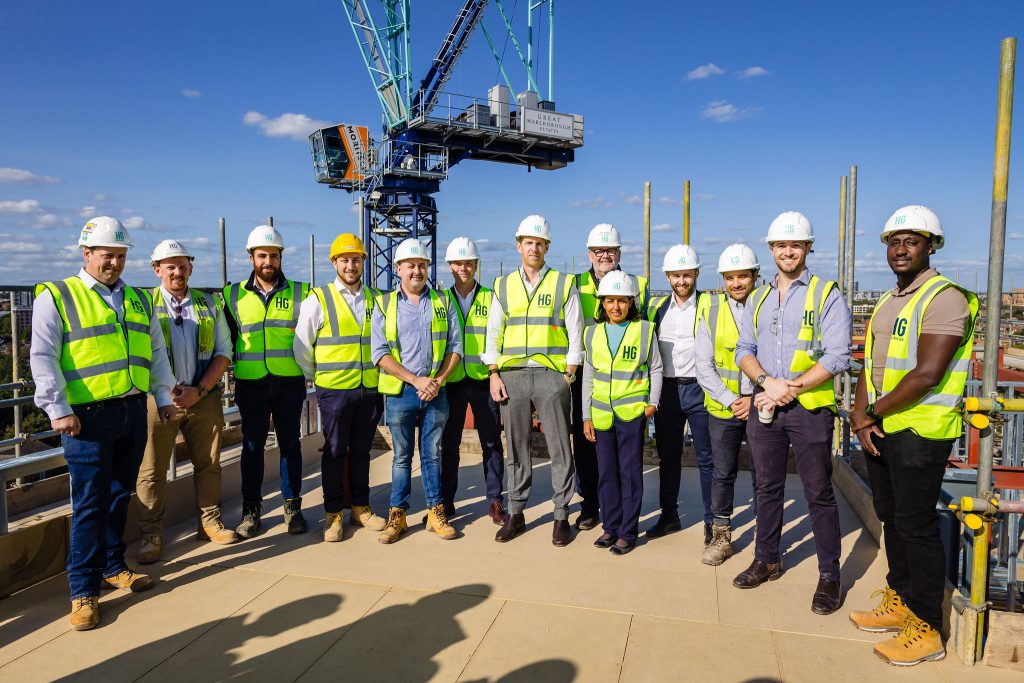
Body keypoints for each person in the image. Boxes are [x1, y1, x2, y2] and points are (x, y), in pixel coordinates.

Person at [30, 217, 176, 631]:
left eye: (120, 255)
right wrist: (56, 408)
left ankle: (114, 567)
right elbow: (42, 356)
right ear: (87, 254)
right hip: (85, 419)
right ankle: (83, 590)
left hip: (132, 409)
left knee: (118, 496)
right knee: (90, 504)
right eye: (106, 255)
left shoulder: (138, 300)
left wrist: (162, 398)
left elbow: (157, 352)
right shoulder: (58, 296)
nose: (114, 262)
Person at [849, 206, 977, 666]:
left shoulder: (945, 298)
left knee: (918, 526)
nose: (900, 250)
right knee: (892, 519)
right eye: (893, 242)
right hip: (883, 428)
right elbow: (870, 364)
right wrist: (863, 413)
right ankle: (900, 601)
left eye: (911, 241)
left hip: (920, 432)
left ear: (931, 246)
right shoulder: (889, 299)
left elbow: (926, 374)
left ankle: (927, 628)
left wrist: (868, 413)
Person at [733, 211, 851, 617]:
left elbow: (838, 355)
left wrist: (791, 387)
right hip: (766, 406)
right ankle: (767, 559)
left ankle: (829, 576)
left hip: (810, 410)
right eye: (781, 245)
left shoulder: (826, 294)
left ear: (807, 248)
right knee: (766, 488)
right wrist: (767, 382)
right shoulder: (760, 297)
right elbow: (743, 350)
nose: (788, 251)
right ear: (771, 250)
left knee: (818, 493)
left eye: (795, 245)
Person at [135, 240, 236, 565]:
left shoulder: (208, 303)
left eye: (182, 265)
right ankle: (151, 535)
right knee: (152, 470)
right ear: (157, 269)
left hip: (202, 397)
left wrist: (200, 390)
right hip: (157, 399)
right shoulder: (143, 303)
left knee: (209, 464)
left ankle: (210, 522)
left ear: (191, 268)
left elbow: (224, 352)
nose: (177, 271)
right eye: (170, 266)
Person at [485, 215, 582, 547]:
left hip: (550, 376)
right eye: (529, 242)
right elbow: (493, 333)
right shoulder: (502, 285)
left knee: (559, 449)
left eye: (540, 243)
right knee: (516, 449)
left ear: (547, 247)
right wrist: (493, 373)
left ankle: (561, 514)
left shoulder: (562, 283)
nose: (534, 248)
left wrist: (568, 375)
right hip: (512, 376)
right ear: (519, 245)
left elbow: (575, 332)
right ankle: (516, 512)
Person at [294, 233, 387, 543]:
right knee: (334, 452)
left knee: (362, 450)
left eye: (356, 259)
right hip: (334, 391)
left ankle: (361, 507)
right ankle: (333, 513)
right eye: (345, 260)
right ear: (334, 262)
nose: (351, 265)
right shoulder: (317, 300)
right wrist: (319, 377)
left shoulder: (376, 299)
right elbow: (302, 347)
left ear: (363, 262)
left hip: (369, 389)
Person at [371, 237, 462, 544]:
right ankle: (398, 515)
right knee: (401, 457)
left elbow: (456, 346)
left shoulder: (442, 301)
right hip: (402, 393)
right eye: (410, 266)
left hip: (436, 391)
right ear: (399, 269)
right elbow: (380, 353)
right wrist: (416, 380)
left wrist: (436, 380)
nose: (417, 271)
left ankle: (436, 513)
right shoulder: (385, 305)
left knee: (432, 455)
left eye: (422, 266)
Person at [223, 225, 310, 538]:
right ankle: (251, 511)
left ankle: (293, 508)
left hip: (289, 381)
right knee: (252, 447)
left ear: (280, 257)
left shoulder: (302, 292)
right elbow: (226, 342)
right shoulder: (232, 294)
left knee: (290, 444)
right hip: (251, 382)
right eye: (262, 255)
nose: (268, 261)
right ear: (251, 257)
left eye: (273, 255)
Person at [572, 223, 649, 531]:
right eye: (598, 251)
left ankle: (621, 514)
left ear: (619, 252)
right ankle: (590, 504)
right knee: (586, 444)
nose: (605, 256)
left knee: (623, 458)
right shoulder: (575, 283)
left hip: (626, 382)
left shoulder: (637, 283)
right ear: (589, 253)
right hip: (588, 373)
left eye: (611, 250)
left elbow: (643, 332)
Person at [581, 271, 662, 555]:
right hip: (602, 415)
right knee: (606, 474)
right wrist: (586, 416)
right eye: (610, 301)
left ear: (631, 302)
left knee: (630, 473)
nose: (615, 307)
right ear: (602, 303)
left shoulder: (644, 330)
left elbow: (656, 368)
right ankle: (610, 527)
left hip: (631, 414)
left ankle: (628, 531)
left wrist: (653, 403)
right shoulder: (591, 333)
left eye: (622, 301)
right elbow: (588, 376)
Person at [696, 244, 761, 565]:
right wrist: (733, 400)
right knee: (723, 474)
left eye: (743, 276)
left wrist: (755, 398)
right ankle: (721, 536)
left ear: (755, 277)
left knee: (764, 475)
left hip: (763, 407)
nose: (736, 283)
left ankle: (767, 538)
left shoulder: (768, 308)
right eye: (730, 277)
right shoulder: (710, 312)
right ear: (722, 280)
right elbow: (703, 366)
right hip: (725, 410)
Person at [645, 244, 714, 544]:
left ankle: (714, 522)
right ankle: (669, 516)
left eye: (686, 275)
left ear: (697, 274)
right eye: (675, 275)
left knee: (708, 459)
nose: (681, 281)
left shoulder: (712, 307)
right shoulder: (656, 310)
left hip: (701, 388)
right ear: (668, 277)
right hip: (669, 391)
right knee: (668, 458)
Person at [437, 237, 508, 525]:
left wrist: (496, 372)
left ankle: (495, 500)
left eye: (469, 263)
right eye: (458, 263)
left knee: (491, 441)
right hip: (452, 381)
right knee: (449, 443)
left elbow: (501, 337)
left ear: (476, 265)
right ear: (450, 266)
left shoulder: (491, 297)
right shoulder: (440, 299)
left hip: (482, 380)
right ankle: (446, 499)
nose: (464, 268)